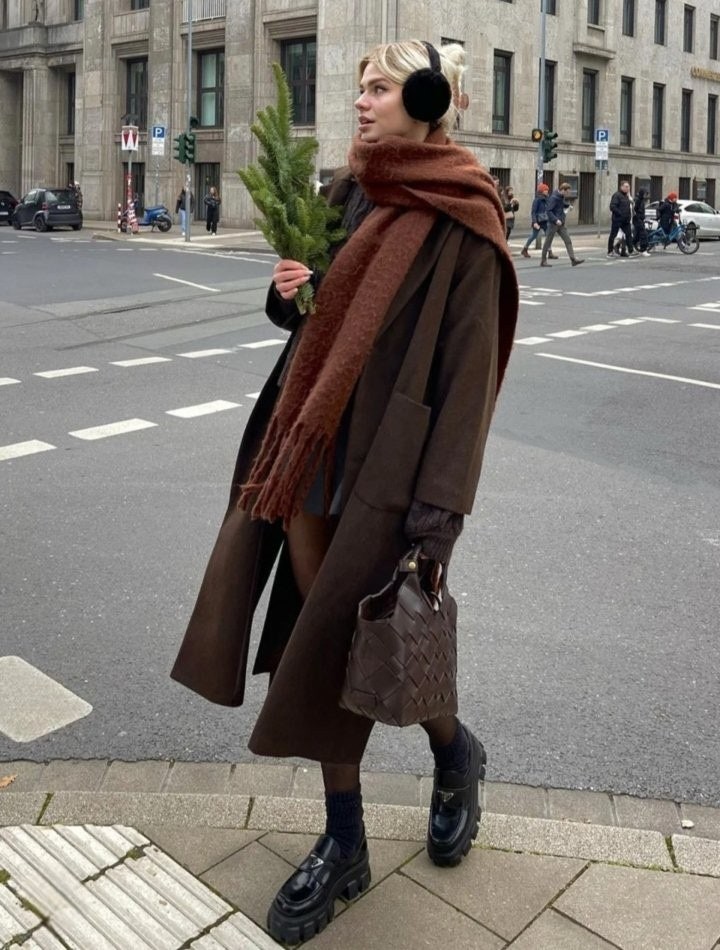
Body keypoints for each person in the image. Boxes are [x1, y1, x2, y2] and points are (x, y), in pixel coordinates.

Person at [171, 38, 519, 946]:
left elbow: (469, 382)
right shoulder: (347, 190)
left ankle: (454, 749)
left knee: (383, 634)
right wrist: (290, 292)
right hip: (310, 446)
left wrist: (438, 520)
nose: (362, 101)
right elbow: (312, 315)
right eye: (360, 86)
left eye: (380, 87)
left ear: (429, 98)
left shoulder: (464, 216)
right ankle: (345, 840)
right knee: (317, 645)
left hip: (388, 471)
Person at [540, 182, 584, 267]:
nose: (568, 194)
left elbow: (561, 205)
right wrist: (555, 220)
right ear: (563, 190)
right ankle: (543, 261)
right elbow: (549, 211)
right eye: (567, 192)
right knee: (547, 242)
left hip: (561, 223)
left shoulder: (560, 197)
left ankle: (573, 259)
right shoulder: (554, 198)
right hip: (553, 224)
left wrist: (568, 205)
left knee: (568, 240)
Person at [520, 183, 557, 259]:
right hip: (538, 221)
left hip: (545, 221)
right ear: (541, 191)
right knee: (534, 235)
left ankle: (549, 252)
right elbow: (533, 212)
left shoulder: (547, 199)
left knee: (548, 236)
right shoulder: (537, 200)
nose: (547, 191)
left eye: (547, 190)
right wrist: (535, 222)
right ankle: (525, 249)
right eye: (545, 190)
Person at [607, 181, 635, 258]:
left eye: (628, 187)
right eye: (626, 186)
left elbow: (628, 208)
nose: (628, 188)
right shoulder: (617, 195)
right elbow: (612, 207)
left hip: (625, 220)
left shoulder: (626, 196)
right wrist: (620, 213)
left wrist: (628, 216)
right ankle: (610, 251)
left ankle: (631, 250)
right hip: (617, 219)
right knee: (613, 235)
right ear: (621, 187)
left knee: (628, 234)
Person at [632, 187, 650, 255]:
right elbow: (634, 210)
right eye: (645, 194)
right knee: (643, 234)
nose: (646, 195)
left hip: (640, 219)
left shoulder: (641, 200)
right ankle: (643, 250)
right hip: (637, 219)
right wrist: (638, 217)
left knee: (637, 235)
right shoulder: (638, 200)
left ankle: (631, 245)